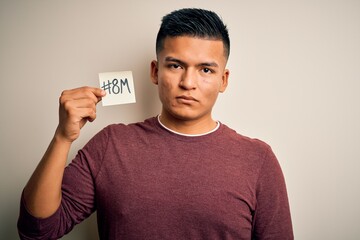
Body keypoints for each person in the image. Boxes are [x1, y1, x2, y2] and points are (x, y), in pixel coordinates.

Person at [17, 8, 293, 240]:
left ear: (224, 80)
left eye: (205, 70)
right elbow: (38, 230)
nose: (188, 83)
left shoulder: (258, 160)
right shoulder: (111, 145)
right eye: (175, 65)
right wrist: (62, 137)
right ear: (155, 71)